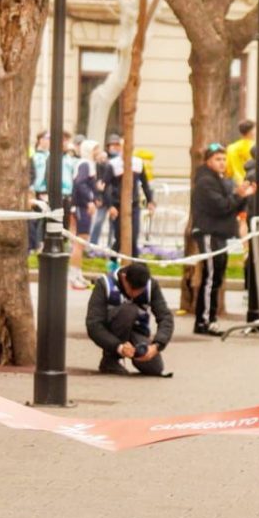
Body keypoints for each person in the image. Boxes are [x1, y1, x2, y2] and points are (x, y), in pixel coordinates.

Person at [192, 143, 254, 336]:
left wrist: (241, 196)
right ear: (208, 161)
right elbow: (221, 206)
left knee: (216, 277)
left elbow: (232, 205)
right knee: (211, 277)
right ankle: (204, 320)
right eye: (218, 159)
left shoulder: (221, 180)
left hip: (220, 233)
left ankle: (210, 318)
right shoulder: (205, 181)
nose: (222, 162)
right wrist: (238, 195)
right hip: (209, 232)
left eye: (224, 158)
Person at [85, 262, 173, 376]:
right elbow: (93, 325)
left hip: (137, 331)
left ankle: (139, 352)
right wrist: (119, 347)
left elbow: (165, 317)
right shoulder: (104, 284)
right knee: (129, 309)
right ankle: (110, 360)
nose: (135, 294)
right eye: (132, 289)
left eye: (140, 290)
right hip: (112, 330)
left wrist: (157, 345)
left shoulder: (151, 285)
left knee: (154, 368)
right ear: (124, 277)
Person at [104, 135, 155, 258]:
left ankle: (134, 263)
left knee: (133, 236)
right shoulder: (113, 164)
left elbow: (145, 183)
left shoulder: (138, 163)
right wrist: (110, 206)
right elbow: (106, 187)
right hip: (118, 205)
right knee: (120, 237)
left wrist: (150, 201)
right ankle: (113, 262)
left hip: (134, 205)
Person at [70, 139, 101, 290]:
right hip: (81, 208)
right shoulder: (85, 164)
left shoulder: (87, 164)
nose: (98, 152)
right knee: (79, 243)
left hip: (81, 207)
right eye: (95, 149)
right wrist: (89, 200)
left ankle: (77, 274)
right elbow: (79, 183)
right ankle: (74, 277)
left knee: (79, 243)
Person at [225, 119, 256, 184]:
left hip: (234, 182)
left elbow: (228, 169)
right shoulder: (254, 147)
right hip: (250, 183)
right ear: (251, 131)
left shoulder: (231, 147)